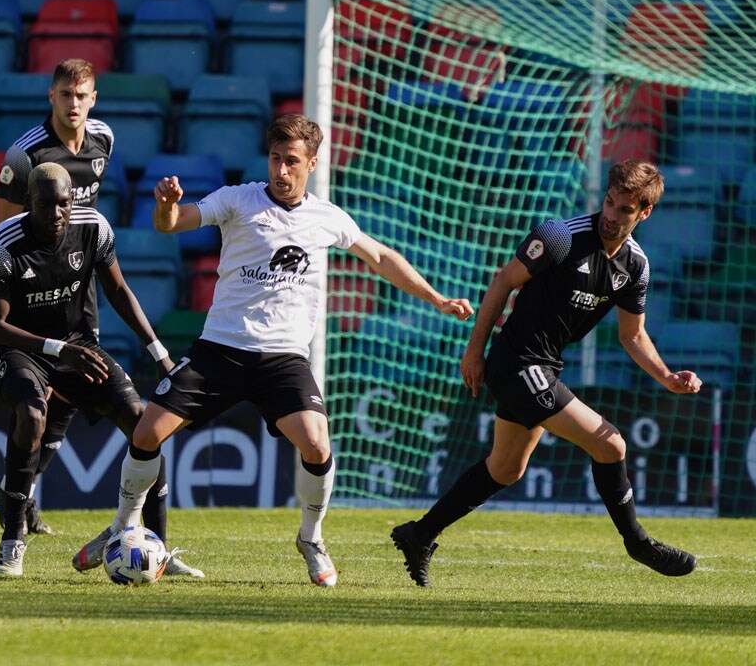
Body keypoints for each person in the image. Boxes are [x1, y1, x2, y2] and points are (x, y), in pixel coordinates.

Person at [73, 114, 475, 587]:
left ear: (312, 164)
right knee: (146, 433)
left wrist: (436, 299)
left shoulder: (327, 218)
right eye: (275, 159)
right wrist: (165, 206)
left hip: (282, 359)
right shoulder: (239, 198)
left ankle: (310, 538)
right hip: (219, 350)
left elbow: (381, 257)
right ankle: (123, 525)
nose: (281, 171)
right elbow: (173, 224)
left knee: (317, 441)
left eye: (292, 162)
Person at [391, 159, 700, 588]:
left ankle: (419, 533)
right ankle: (638, 543)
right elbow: (502, 283)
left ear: (644, 213)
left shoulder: (635, 267)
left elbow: (633, 336)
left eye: (624, 209)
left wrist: (666, 377)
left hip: (545, 365)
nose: (611, 214)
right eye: (609, 202)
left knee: (506, 468)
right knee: (611, 444)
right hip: (515, 361)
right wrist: (474, 351)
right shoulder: (559, 236)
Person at [0, 162, 201, 577]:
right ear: (28, 203)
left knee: (144, 422)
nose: (57, 212)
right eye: (46, 204)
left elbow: (118, 290)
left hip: (77, 347)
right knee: (31, 416)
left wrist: (159, 354)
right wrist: (56, 349)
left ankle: (159, 550)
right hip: (19, 349)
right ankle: (12, 542)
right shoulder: (1, 245)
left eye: (63, 202)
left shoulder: (93, 228)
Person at [0, 58, 114, 538]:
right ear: (51, 96)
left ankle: (21, 492)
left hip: (79, 286)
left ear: (94, 99)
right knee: (32, 401)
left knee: (68, 397)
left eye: (82, 96)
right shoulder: (25, 153)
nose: (74, 104)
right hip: (31, 289)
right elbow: (2, 228)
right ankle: (16, 502)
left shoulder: (104, 138)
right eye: (66, 94)